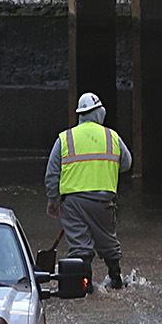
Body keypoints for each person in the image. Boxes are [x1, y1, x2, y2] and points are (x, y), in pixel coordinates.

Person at [45, 92, 131, 289]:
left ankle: (85, 286)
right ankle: (116, 279)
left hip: (73, 203)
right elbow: (126, 164)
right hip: (104, 202)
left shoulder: (65, 138)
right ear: (100, 112)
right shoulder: (112, 136)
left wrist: (53, 199)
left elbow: (52, 172)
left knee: (80, 246)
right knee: (108, 242)